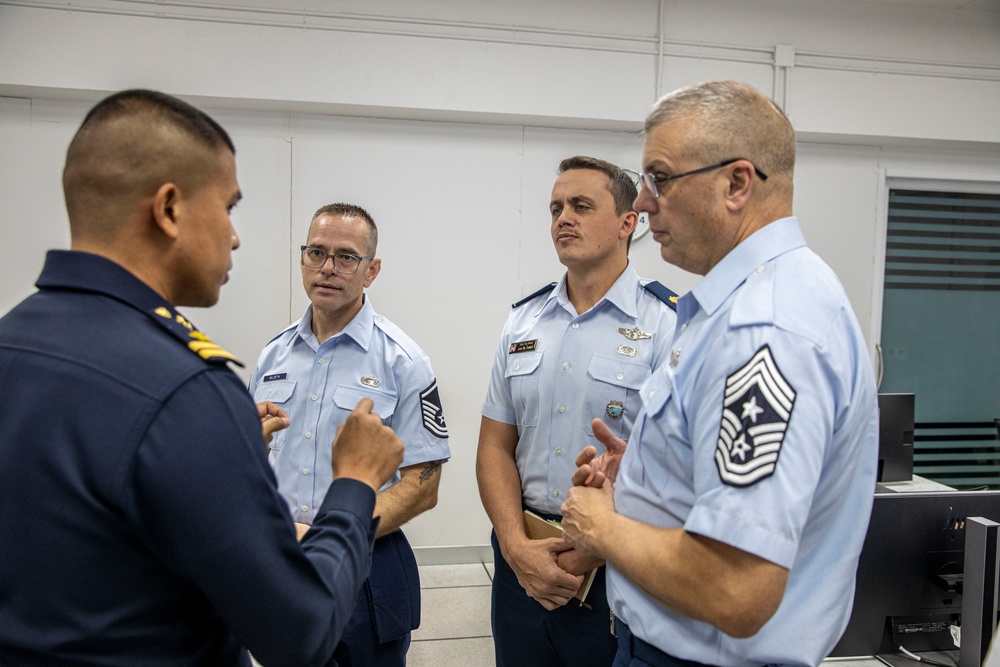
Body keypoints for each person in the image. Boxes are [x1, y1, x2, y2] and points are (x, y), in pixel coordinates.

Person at [0, 89, 404, 667]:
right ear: (168, 209)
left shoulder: (12, 340)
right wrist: (355, 483)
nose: (235, 237)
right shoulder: (184, 390)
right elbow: (299, 633)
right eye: (229, 208)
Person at [560, 80, 879, 667]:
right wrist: (652, 479)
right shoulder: (743, 305)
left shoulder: (766, 331)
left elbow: (737, 589)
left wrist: (601, 528)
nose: (645, 202)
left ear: (736, 183)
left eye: (660, 178)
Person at [477, 155, 679, 666]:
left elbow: (676, 468)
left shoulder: (667, 324)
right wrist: (515, 547)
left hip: (616, 564)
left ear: (627, 223)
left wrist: (593, 549)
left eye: (581, 206)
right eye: (555, 208)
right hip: (520, 559)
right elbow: (495, 445)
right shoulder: (523, 321)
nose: (563, 218)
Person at [249, 203, 451, 666]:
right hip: (282, 562)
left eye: (345, 257)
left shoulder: (403, 362)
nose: (327, 268)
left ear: (371, 270)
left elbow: (424, 487)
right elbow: (249, 459)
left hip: (364, 567)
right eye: (316, 252)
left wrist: (330, 532)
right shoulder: (273, 356)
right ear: (302, 258)